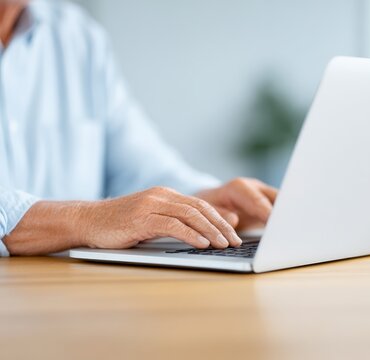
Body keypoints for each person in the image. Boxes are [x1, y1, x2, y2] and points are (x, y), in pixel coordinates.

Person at [0, 0, 278, 256]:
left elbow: (140, 165)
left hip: (73, 292)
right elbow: (108, 216)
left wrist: (203, 200)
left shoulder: (78, 36)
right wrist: (92, 219)